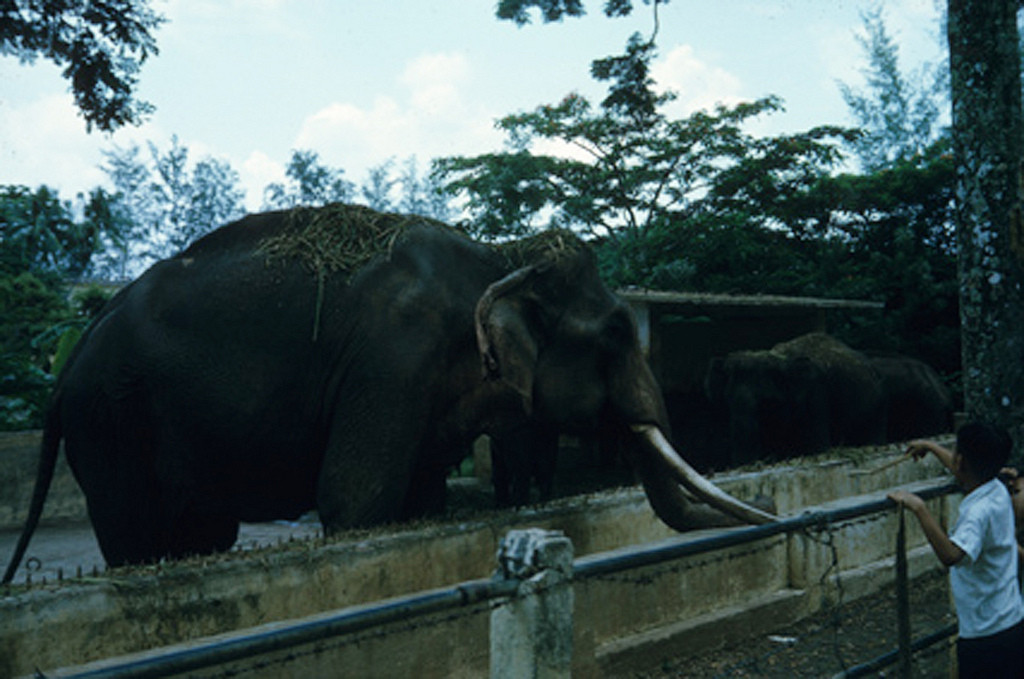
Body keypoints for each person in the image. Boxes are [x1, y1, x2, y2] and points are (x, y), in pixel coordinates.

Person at [888, 422, 1024, 677]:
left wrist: (919, 507)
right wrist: (929, 446)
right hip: (1011, 621)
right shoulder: (996, 487)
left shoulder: (977, 512)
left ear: (960, 460)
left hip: (985, 635)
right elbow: (963, 467)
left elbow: (951, 555)